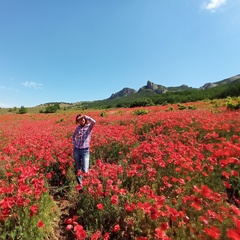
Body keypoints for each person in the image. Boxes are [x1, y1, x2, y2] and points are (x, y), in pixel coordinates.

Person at [72, 114, 96, 191]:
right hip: (77, 150)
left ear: (85, 119)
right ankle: (80, 186)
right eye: (79, 120)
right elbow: (73, 136)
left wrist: (85, 116)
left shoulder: (89, 126)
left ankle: (88, 185)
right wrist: (75, 142)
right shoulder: (78, 128)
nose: (81, 121)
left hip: (85, 150)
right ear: (78, 121)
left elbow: (94, 122)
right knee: (78, 169)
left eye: (83, 119)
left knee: (85, 170)